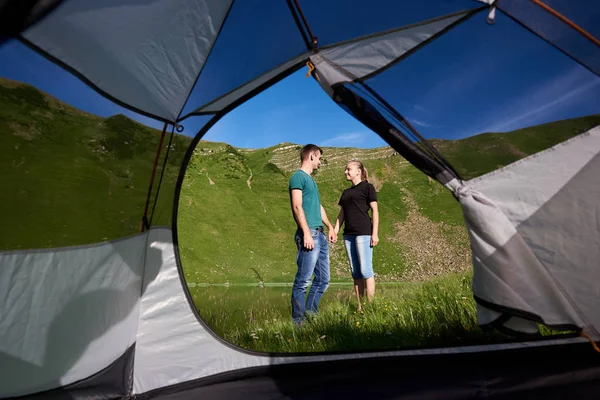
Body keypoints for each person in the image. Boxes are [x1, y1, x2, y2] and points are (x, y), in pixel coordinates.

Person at [288, 144, 337, 325]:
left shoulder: (311, 181)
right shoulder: (297, 177)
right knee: (302, 281)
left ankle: (311, 316)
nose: (320, 162)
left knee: (324, 280)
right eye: (319, 158)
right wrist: (306, 233)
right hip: (310, 235)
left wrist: (330, 227)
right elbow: (296, 206)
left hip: (321, 236)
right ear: (311, 157)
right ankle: (298, 324)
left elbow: (318, 207)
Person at [334, 159, 379, 312]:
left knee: (366, 270)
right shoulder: (346, 193)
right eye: (346, 169)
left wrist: (375, 233)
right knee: (356, 272)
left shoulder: (368, 187)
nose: (346, 172)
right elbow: (342, 215)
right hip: (348, 235)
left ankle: (370, 306)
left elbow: (375, 211)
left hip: (363, 233)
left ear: (358, 171)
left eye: (348, 169)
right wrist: (334, 230)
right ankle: (360, 308)